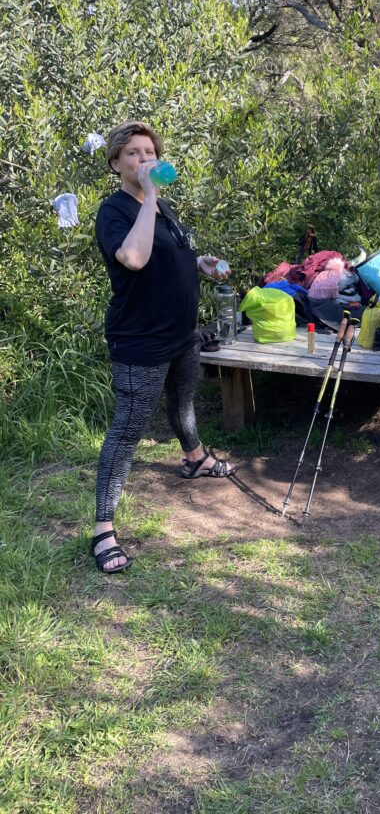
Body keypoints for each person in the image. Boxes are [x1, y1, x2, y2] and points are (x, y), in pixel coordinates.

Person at [91, 120, 235, 573]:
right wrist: (149, 196)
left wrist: (200, 261)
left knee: (184, 400)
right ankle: (102, 530)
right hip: (140, 339)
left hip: (180, 332)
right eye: (134, 153)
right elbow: (133, 258)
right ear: (116, 163)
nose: (144, 160)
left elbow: (168, 253)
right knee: (127, 430)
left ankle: (194, 458)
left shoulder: (164, 207)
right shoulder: (114, 211)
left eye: (149, 152)